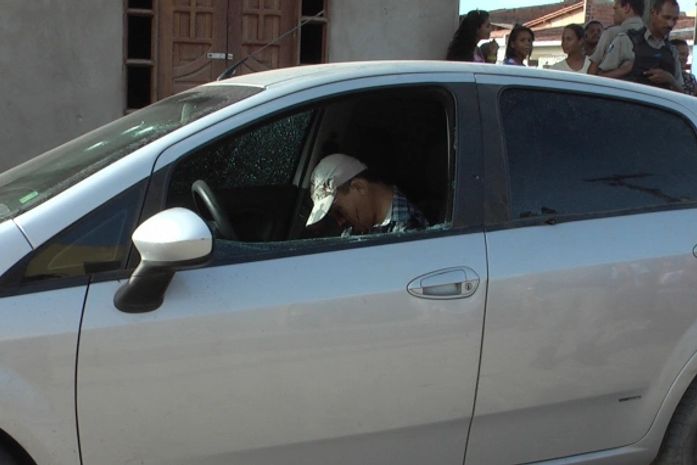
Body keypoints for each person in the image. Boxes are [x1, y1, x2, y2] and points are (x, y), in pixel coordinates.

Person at [306, 153, 429, 236]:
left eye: (339, 211)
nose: (340, 222)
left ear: (359, 187)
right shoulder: (357, 230)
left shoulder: (410, 233)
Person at [597, 0, 683, 92]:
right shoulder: (627, 40)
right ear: (653, 13)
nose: (670, 24)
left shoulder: (672, 51)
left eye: (675, 19)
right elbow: (599, 80)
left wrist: (670, 79)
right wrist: (625, 70)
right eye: (666, 17)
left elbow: (682, 93)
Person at [587, 0, 645, 75]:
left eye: (615, 8)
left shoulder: (612, 33)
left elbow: (592, 71)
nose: (613, 14)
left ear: (626, 8)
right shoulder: (651, 35)